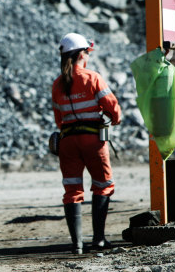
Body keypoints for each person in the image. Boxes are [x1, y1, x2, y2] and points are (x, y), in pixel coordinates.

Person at [51, 33, 122, 254]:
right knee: (103, 185)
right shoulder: (93, 77)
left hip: (68, 142)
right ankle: (98, 240)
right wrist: (115, 118)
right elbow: (113, 108)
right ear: (83, 54)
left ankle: (77, 245)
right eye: (88, 53)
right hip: (93, 140)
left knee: (72, 190)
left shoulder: (57, 84)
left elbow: (58, 119)